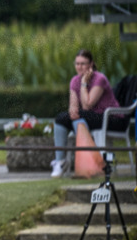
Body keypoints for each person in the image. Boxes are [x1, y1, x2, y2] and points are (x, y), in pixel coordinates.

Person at [50, 49, 126, 177]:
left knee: (79, 115)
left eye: (83, 63)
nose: (79, 67)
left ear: (91, 64)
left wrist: (84, 82)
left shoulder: (99, 79)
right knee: (61, 118)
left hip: (111, 118)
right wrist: (72, 111)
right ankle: (60, 161)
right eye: (77, 63)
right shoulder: (74, 80)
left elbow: (87, 105)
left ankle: (87, 163)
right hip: (89, 117)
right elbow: (73, 106)